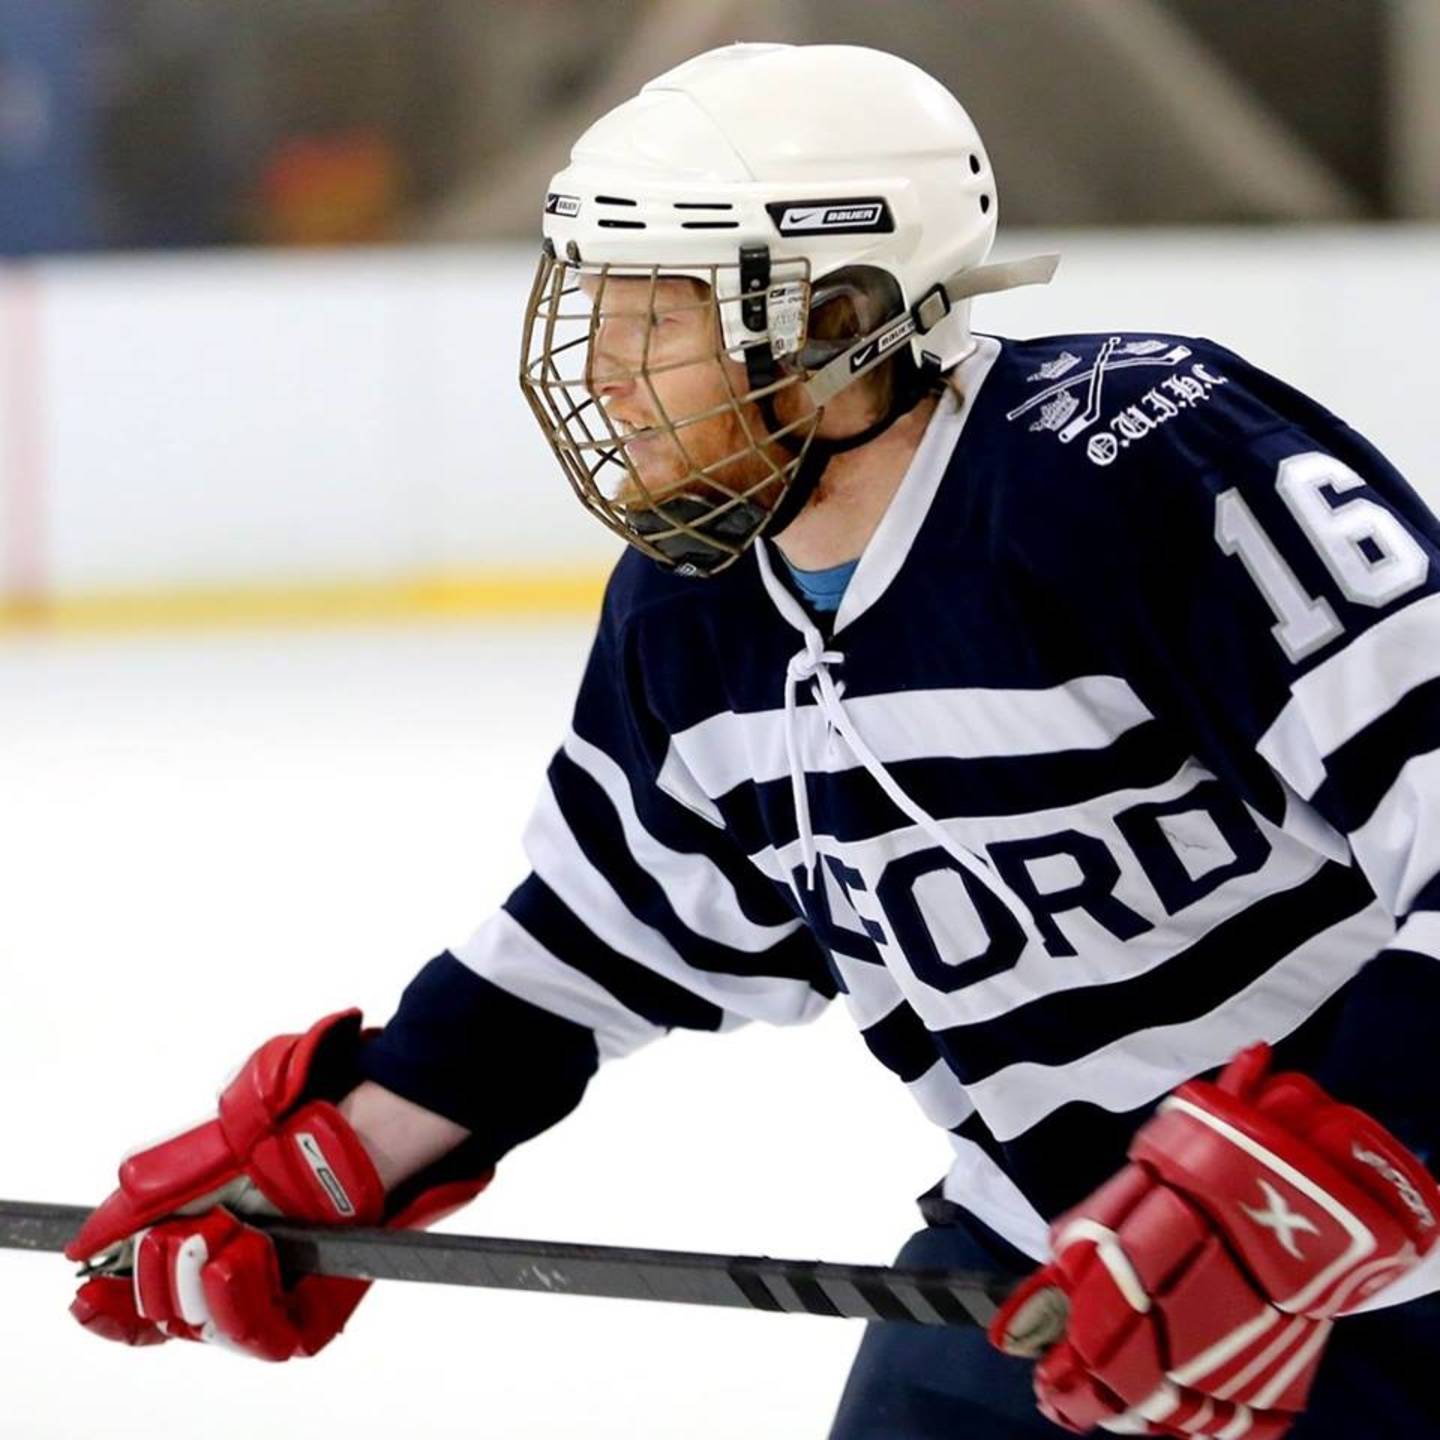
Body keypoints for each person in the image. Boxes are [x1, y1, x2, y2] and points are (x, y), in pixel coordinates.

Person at [65, 42, 1440, 1438]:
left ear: (838, 314)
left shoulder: (1132, 471)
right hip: (1050, 1264)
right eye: (594, 303)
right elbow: (600, 941)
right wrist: (339, 1154)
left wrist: (1345, 1154)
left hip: (1397, 1261)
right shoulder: (693, 613)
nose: (600, 368)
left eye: (656, 315)